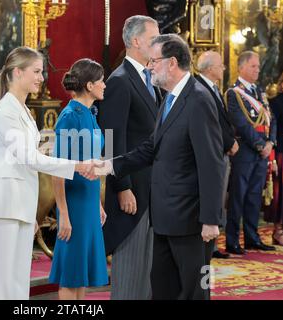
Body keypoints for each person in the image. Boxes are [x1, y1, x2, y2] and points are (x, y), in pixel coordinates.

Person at [96, 34, 225, 300]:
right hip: (164, 217)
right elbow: (150, 148)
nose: (151, 66)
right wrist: (108, 166)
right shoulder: (168, 98)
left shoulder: (199, 99)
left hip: (191, 220)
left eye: (155, 61)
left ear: (172, 63)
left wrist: (211, 219)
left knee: (193, 291)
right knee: (163, 289)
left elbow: (212, 163)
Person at [0, 46, 98, 300]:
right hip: (3, 203)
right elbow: (27, 157)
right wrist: (73, 165)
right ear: (18, 72)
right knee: (2, 283)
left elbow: (31, 154)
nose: (42, 77)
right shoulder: (5, 110)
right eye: (37, 71)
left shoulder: (24, 111)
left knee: (19, 281)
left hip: (21, 202)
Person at [98, 15, 162, 300]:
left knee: (148, 271)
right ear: (136, 42)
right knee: (130, 271)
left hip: (153, 188)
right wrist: (122, 187)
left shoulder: (150, 79)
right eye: (153, 39)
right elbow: (112, 139)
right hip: (132, 190)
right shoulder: (120, 81)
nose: (159, 44)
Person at [49, 59, 109, 300]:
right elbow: (57, 169)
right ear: (90, 84)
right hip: (73, 204)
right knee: (71, 273)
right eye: (102, 81)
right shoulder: (69, 117)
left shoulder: (90, 114)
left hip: (89, 201)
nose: (105, 85)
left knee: (81, 272)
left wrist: (97, 204)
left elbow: (94, 162)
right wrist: (63, 213)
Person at [225, 51, 277, 254]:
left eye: (258, 66)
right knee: (238, 196)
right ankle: (232, 241)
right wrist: (260, 145)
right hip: (245, 152)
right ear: (242, 67)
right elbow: (240, 123)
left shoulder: (260, 92)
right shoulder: (234, 93)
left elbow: (271, 119)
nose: (258, 69)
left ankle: (252, 238)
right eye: (254, 66)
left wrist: (271, 142)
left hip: (262, 153)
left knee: (254, 196)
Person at [196, 50, 239, 260]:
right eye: (220, 65)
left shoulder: (212, 88)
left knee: (220, 199)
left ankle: (212, 245)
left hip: (221, 151)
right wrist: (230, 142)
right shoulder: (200, 88)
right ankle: (208, 245)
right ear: (210, 68)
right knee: (214, 196)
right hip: (214, 152)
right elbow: (212, 123)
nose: (223, 68)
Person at [264, 72, 283, 245]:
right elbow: (273, 128)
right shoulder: (275, 102)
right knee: (281, 193)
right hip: (281, 152)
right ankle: (278, 230)